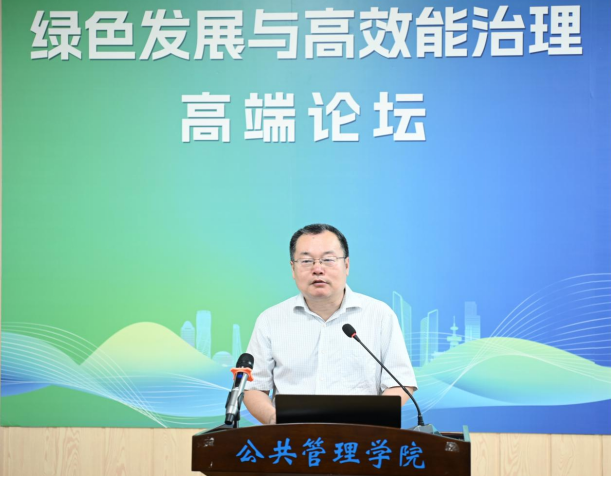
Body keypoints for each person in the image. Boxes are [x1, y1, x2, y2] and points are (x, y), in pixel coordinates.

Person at [243, 224, 417, 425]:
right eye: (306, 261)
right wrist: (275, 420)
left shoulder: (379, 315)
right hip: (291, 437)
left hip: (359, 436)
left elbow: (400, 383)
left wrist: (370, 422)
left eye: (328, 260)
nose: (318, 269)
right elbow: (254, 388)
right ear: (293, 268)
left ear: (346, 265)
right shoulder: (271, 320)